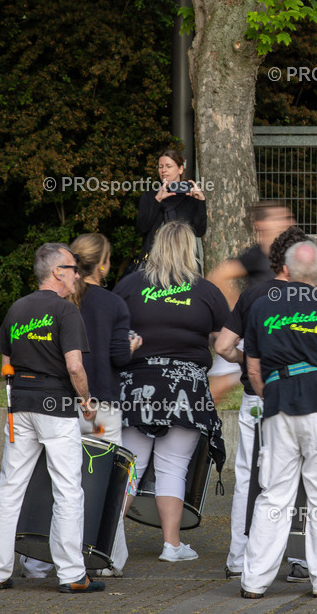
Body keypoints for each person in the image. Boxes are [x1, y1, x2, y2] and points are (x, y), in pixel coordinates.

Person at [240, 241, 317, 599]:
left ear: (287, 270)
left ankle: (253, 581)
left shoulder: (262, 305)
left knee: (274, 495)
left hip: (278, 407)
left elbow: (252, 368)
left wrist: (270, 393)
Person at [21, 233, 143, 580]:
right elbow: (119, 357)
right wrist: (132, 346)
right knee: (108, 483)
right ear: (103, 264)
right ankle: (107, 557)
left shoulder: (57, 301)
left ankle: (39, 557)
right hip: (101, 406)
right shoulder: (114, 303)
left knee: (55, 480)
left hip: (61, 402)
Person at [0, 242, 104, 594]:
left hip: (19, 403)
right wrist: (87, 402)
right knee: (67, 489)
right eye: (72, 268)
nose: (77, 275)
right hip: (56, 404)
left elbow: (4, 360)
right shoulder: (66, 312)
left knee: (9, 488)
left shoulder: (18, 308)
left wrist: (16, 387)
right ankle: (71, 574)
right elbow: (74, 365)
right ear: (57, 272)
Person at [114, 221, 229, 561]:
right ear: (191, 250)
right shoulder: (206, 291)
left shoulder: (129, 286)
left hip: (137, 388)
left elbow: (110, 332)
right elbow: (226, 339)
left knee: (129, 468)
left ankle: (106, 541)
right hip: (186, 390)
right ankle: (171, 545)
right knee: (173, 467)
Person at [214, 225, 313, 582]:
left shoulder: (254, 296)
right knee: (297, 478)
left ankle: (239, 557)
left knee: (248, 477)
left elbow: (223, 347)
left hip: (256, 398)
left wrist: (247, 359)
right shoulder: (312, 298)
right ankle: (298, 557)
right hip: (300, 398)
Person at [208, 201, 295, 309]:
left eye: (287, 218)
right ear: (260, 224)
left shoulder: (294, 252)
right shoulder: (256, 256)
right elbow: (218, 276)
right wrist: (240, 308)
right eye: (278, 218)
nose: (287, 222)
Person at [135, 148, 206, 261]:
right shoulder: (150, 196)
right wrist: (157, 199)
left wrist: (201, 201)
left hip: (185, 262)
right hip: (156, 263)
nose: (163, 170)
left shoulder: (190, 196)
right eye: (160, 166)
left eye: (168, 166)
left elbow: (200, 231)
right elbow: (143, 227)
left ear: (180, 169)